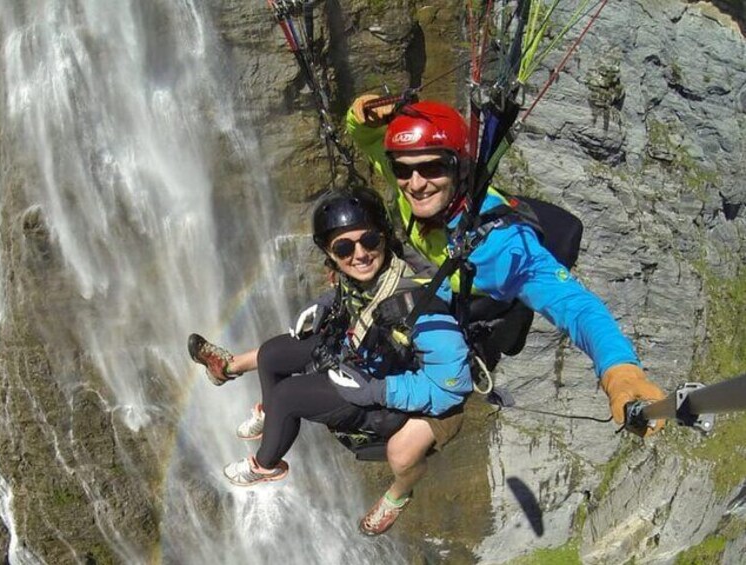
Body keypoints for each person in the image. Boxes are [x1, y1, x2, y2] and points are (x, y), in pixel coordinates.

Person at [344, 95, 668, 434]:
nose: (416, 183)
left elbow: (574, 305)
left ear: (459, 167)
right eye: (402, 169)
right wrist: (359, 116)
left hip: (479, 306)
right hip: (439, 277)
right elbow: (368, 140)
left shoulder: (504, 247)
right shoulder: (411, 190)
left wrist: (618, 368)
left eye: (432, 167)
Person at [190, 188, 475, 535]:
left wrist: (378, 391)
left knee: (288, 396)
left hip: (388, 391)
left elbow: (453, 386)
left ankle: (265, 464)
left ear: (384, 236)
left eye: (369, 240)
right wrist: (326, 304)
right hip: (362, 353)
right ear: (329, 253)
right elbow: (356, 298)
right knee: (272, 355)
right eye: (343, 247)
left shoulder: (420, 305)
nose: (360, 254)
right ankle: (257, 400)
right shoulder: (361, 277)